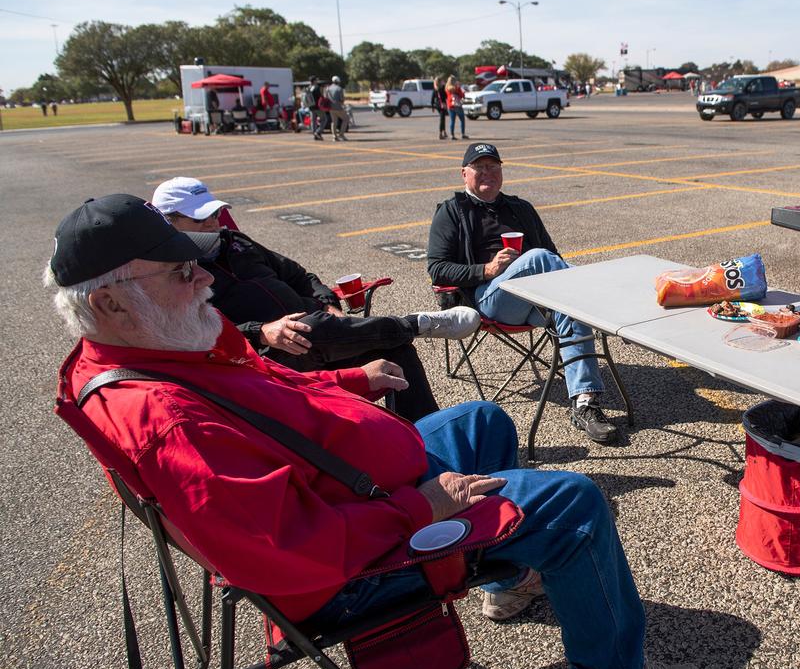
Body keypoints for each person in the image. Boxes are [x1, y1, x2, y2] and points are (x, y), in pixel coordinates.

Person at [47, 193, 702, 669]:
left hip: (353, 488)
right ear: (108, 301)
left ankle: (507, 585)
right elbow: (289, 550)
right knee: (575, 500)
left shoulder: (152, 348)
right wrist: (417, 507)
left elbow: (267, 390)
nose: (204, 279)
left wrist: (347, 383)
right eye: (182, 270)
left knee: (481, 420)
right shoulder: (161, 415)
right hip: (357, 560)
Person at [151, 178, 478, 423]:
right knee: (307, 327)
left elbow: (297, 275)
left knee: (396, 352)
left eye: (215, 213)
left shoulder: (234, 241)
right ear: (167, 222)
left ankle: (426, 440)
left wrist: (325, 302)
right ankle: (412, 324)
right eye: (200, 219)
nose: (213, 223)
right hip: (265, 362)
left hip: (321, 336)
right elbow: (195, 333)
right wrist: (261, 331)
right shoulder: (173, 275)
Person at [427, 144, 622, 445]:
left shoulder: (520, 208)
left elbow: (555, 257)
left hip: (537, 297)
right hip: (489, 298)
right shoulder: (452, 212)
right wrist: (487, 270)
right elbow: (438, 269)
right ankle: (600, 304)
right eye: (480, 167)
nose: (487, 173)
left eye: (494, 166)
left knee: (568, 303)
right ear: (464, 173)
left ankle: (585, 404)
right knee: (540, 260)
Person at [326, 76, 349, 141]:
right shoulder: (339, 88)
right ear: (338, 81)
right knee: (346, 119)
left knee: (334, 122)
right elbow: (342, 99)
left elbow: (326, 97)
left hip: (330, 107)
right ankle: (341, 134)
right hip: (338, 107)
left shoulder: (328, 88)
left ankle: (334, 136)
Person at [445, 75, 468, 141]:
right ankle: (463, 134)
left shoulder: (447, 88)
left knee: (452, 121)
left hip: (450, 105)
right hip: (457, 105)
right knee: (462, 120)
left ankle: (452, 135)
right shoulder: (456, 88)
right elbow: (461, 95)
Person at [303, 75, 325, 140]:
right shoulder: (316, 88)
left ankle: (314, 134)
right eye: (316, 80)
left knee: (313, 121)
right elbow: (321, 97)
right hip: (317, 107)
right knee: (324, 119)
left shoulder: (308, 88)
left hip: (310, 107)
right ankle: (318, 132)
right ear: (314, 81)